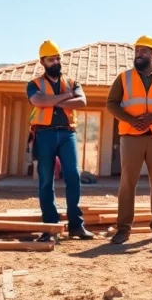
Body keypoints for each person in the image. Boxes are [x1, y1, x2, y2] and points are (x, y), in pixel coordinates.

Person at [104, 35, 152, 244]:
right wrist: (130, 120)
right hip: (131, 137)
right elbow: (111, 103)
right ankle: (123, 230)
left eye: (143, 51)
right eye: (137, 50)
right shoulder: (123, 77)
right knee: (127, 184)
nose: (139, 54)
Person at [26, 40, 95, 242]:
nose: (55, 61)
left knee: (73, 177)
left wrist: (52, 100)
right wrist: (66, 97)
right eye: (51, 59)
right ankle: (50, 228)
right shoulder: (34, 84)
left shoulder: (72, 82)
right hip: (44, 134)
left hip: (67, 134)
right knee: (46, 181)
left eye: (57, 58)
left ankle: (76, 226)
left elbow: (82, 101)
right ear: (42, 62)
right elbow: (37, 101)